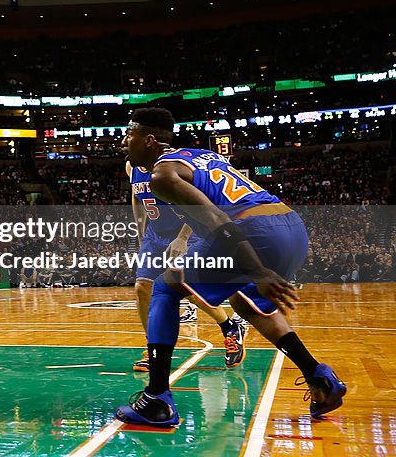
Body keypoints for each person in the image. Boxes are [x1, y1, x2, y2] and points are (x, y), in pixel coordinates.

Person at [115, 108, 346, 427]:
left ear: (150, 140)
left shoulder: (161, 175)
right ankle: (320, 378)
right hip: (290, 225)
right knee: (247, 304)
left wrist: (258, 270)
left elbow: (216, 220)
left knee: (164, 288)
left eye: (130, 135)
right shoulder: (201, 155)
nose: (124, 141)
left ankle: (156, 400)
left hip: (253, 231)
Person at [127, 161, 246, 372]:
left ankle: (229, 327)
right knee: (142, 287)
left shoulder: (167, 167)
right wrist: (140, 233)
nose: (124, 141)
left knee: (189, 290)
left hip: (186, 231)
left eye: (130, 133)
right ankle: (152, 349)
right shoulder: (132, 167)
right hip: (154, 235)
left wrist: (182, 238)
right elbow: (137, 200)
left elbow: (195, 206)